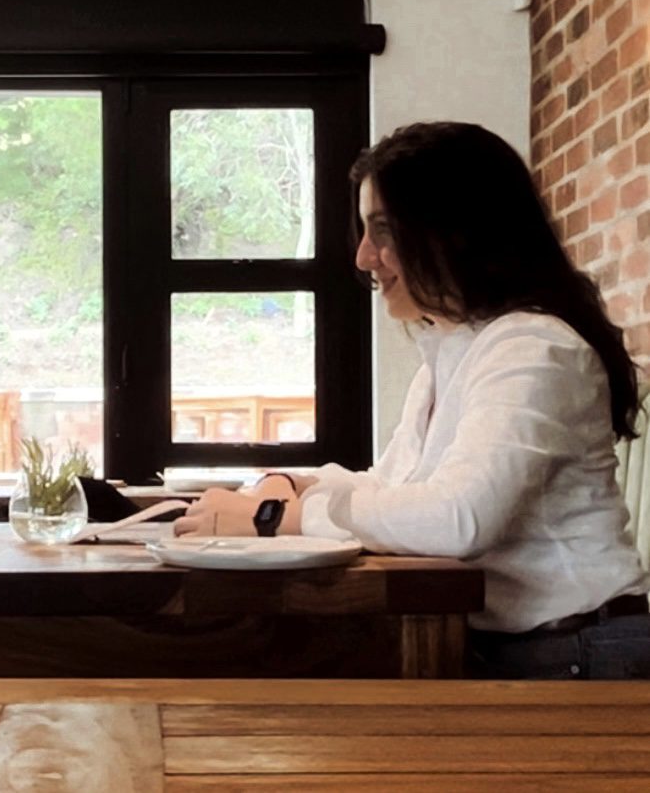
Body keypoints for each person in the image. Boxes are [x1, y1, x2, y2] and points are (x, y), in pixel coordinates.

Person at [176, 121, 650, 679]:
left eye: (383, 231)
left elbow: (456, 518)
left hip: (580, 655)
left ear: (456, 231)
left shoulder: (533, 347)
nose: (362, 257)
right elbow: (396, 486)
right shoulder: (454, 347)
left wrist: (272, 517)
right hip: (523, 650)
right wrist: (298, 485)